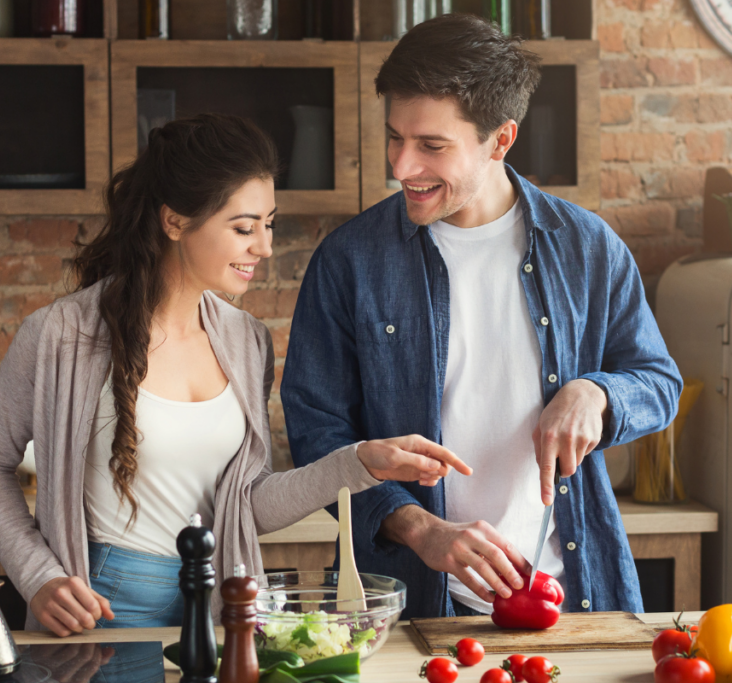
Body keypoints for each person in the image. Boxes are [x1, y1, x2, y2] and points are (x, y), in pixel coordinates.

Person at [0, 114, 470, 636]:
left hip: (221, 607)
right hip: (104, 607)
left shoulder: (246, 340)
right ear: (175, 222)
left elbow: (245, 505)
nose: (265, 247)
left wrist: (360, 462)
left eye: (268, 224)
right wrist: (38, 576)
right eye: (244, 227)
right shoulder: (60, 334)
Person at [280, 15, 683, 620]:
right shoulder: (350, 261)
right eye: (395, 137)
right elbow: (318, 434)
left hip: (570, 597)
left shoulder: (588, 248)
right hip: (409, 605)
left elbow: (658, 382)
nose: (402, 166)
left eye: (432, 147)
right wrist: (419, 527)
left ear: (501, 139)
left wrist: (596, 394)